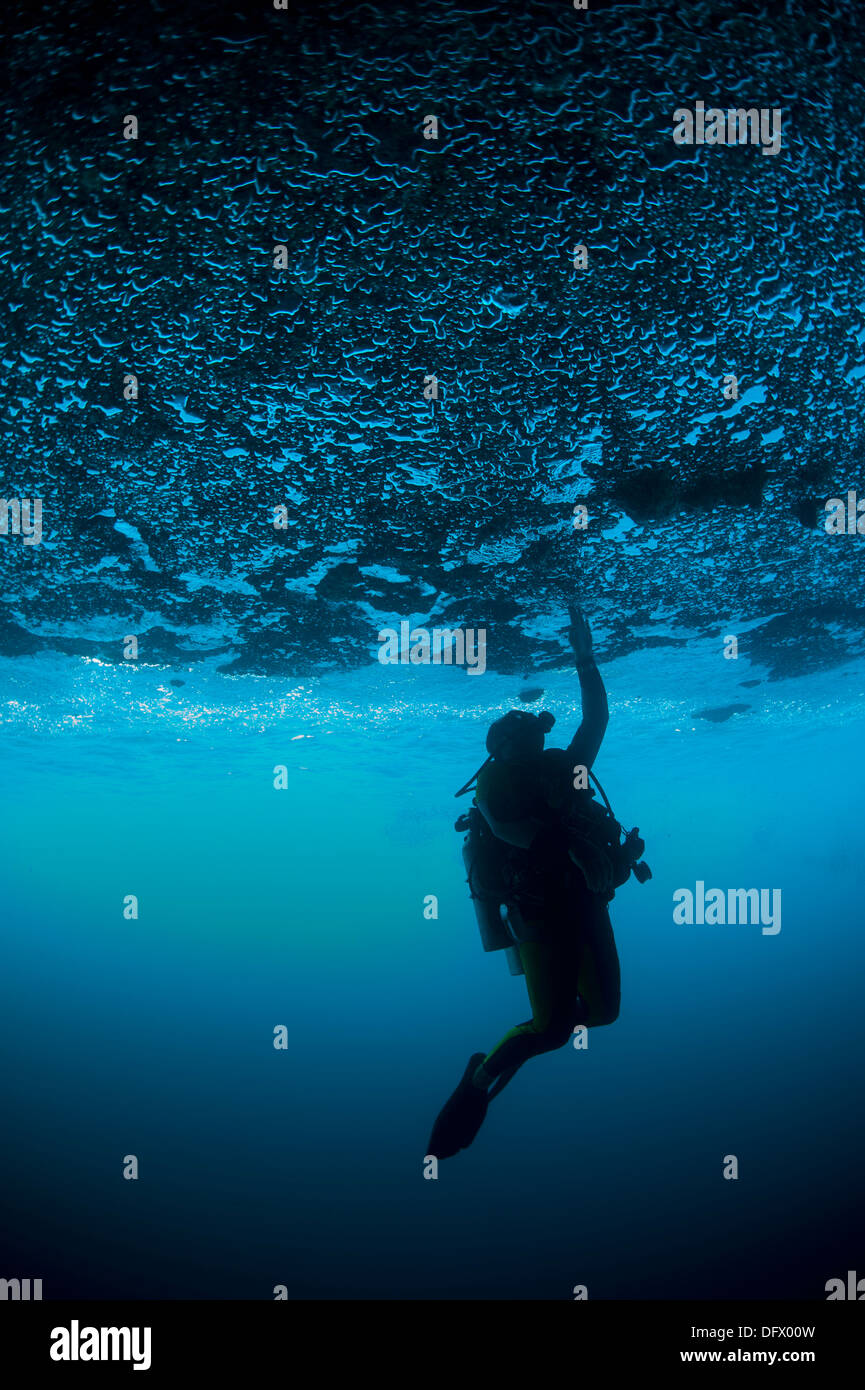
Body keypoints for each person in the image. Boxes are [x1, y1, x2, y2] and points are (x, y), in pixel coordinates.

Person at [427, 607, 624, 1160]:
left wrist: (585, 659)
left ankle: (522, 1045)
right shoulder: (492, 785)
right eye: (516, 738)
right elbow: (510, 831)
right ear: (501, 749)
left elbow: (597, 720)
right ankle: (481, 1079)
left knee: (605, 1012)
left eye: (531, 734)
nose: (529, 743)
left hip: (586, 903)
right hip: (537, 913)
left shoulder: (563, 768)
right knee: (553, 1028)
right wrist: (574, 848)